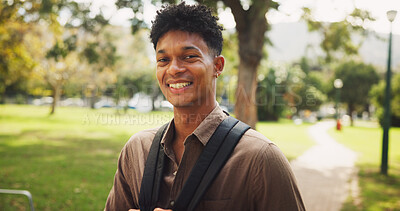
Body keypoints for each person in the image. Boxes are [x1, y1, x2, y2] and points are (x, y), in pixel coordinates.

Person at [105, 2, 305, 211]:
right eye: (163, 59)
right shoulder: (136, 151)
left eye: (189, 57)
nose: (173, 69)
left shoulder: (259, 158)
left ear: (217, 66)